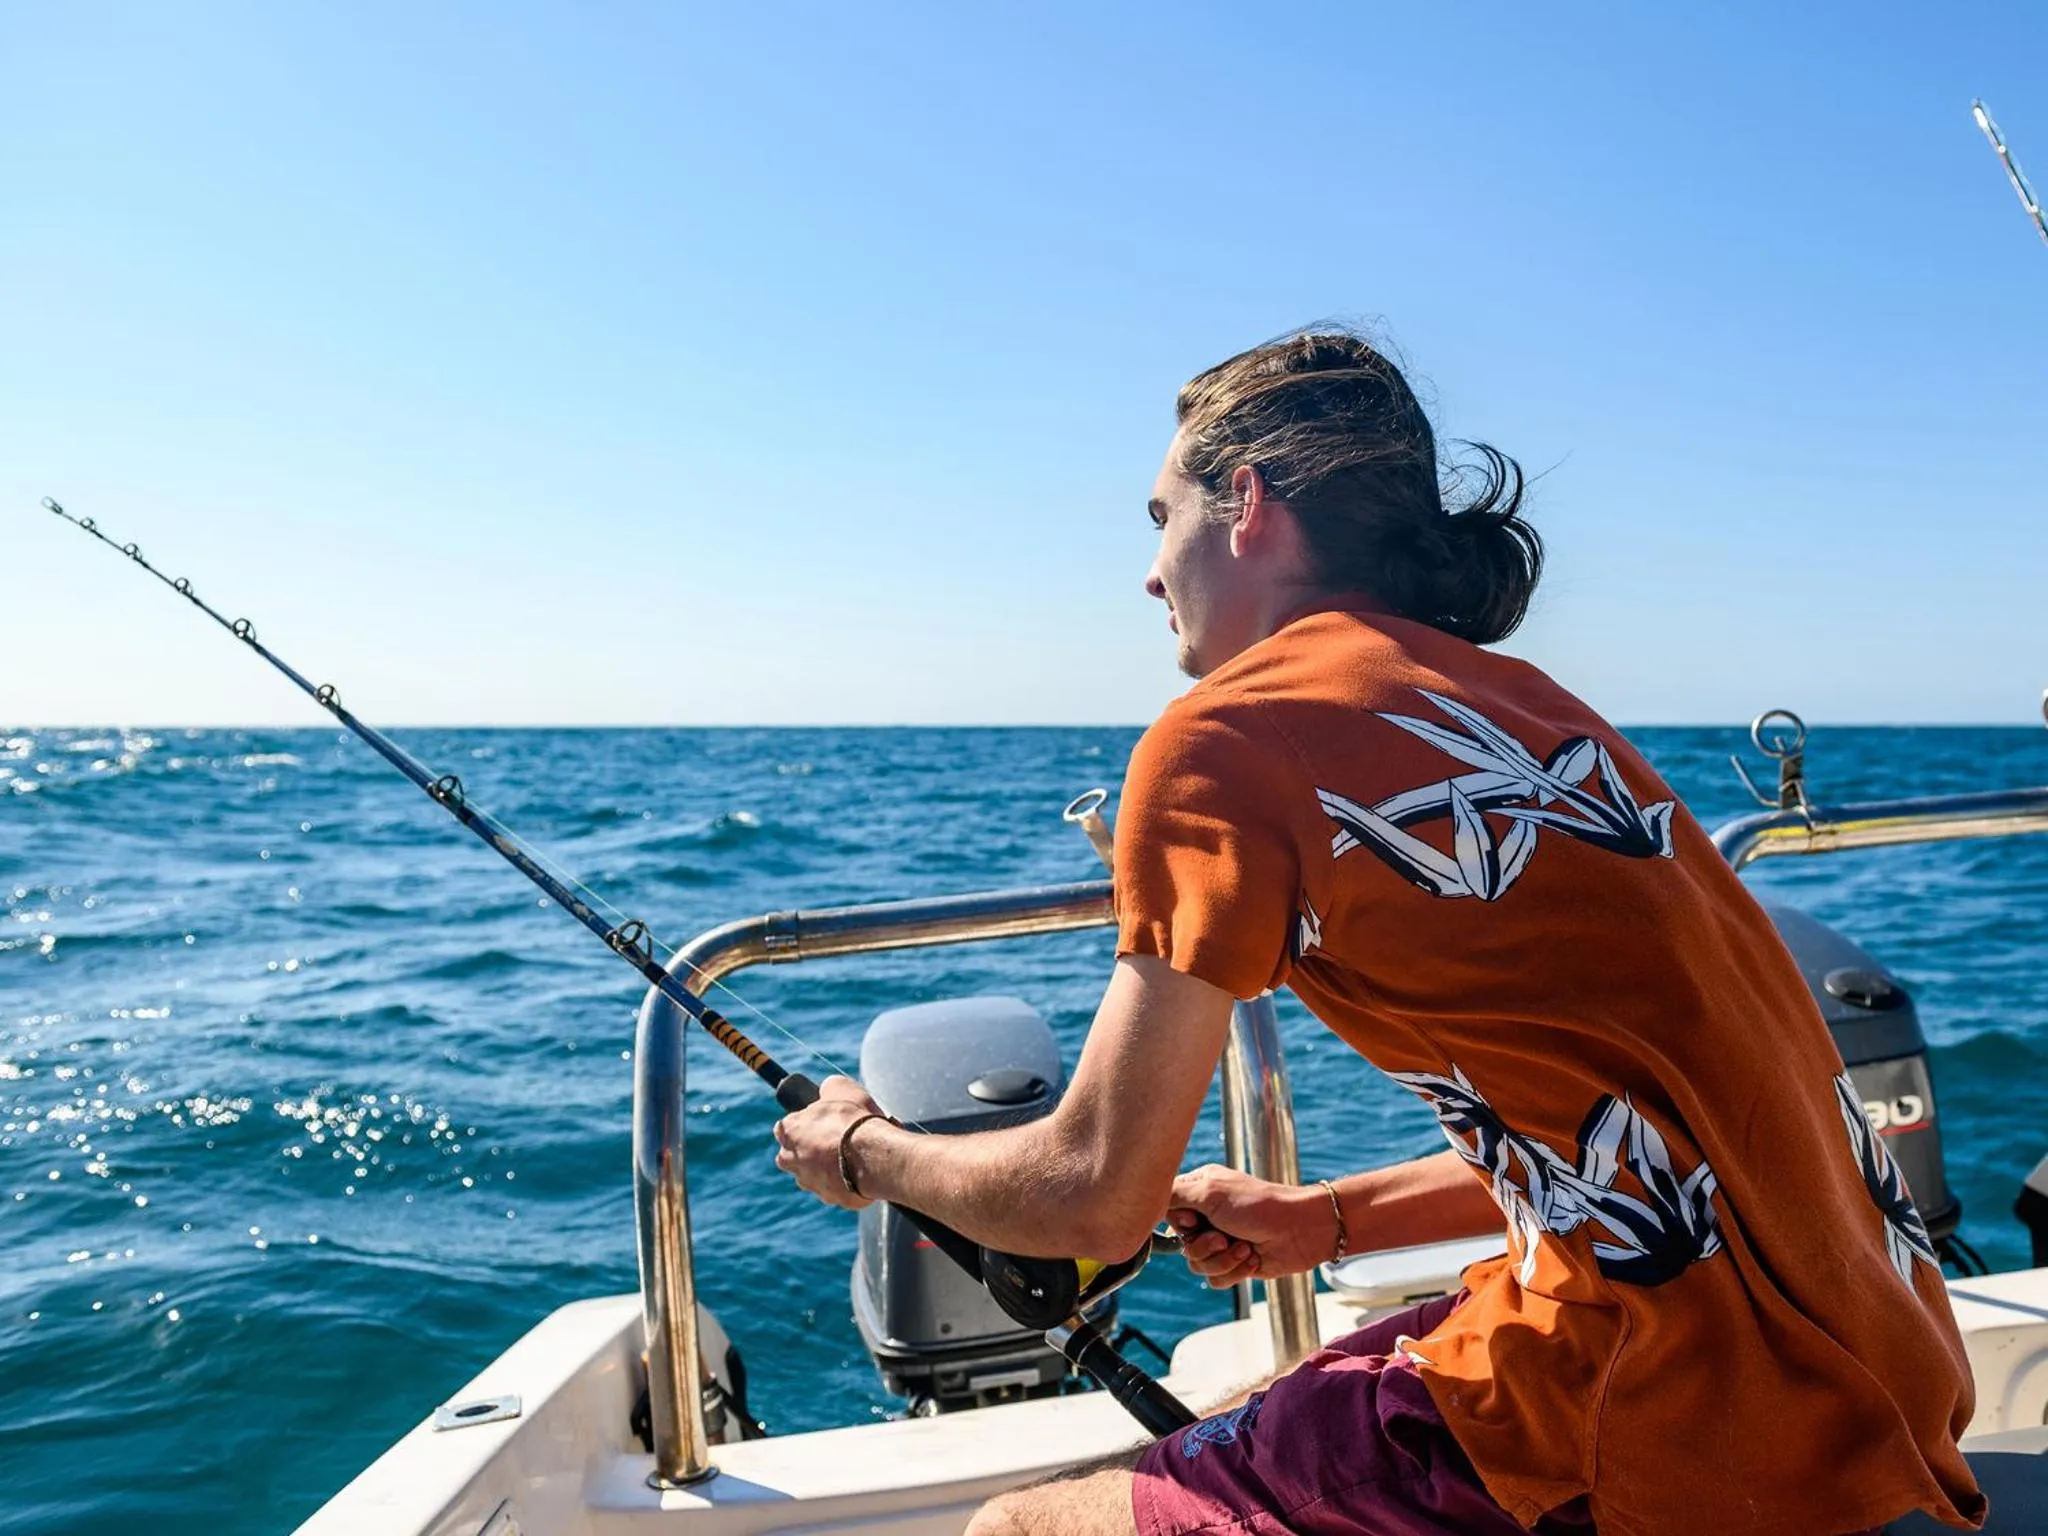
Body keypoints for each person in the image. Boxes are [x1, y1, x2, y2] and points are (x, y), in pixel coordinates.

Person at [772, 329, 1987, 1535]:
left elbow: (1089, 1196)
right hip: (1869, 1380)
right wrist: (1324, 1221)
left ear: (1243, 504)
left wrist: (863, 1151)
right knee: (1261, 1403)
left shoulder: (1221, 737)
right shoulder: (1536, 715)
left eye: (1160, 517)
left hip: (1676, 1415)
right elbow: (1642, 1130)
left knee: (1016, 1532)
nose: (1150, 571)